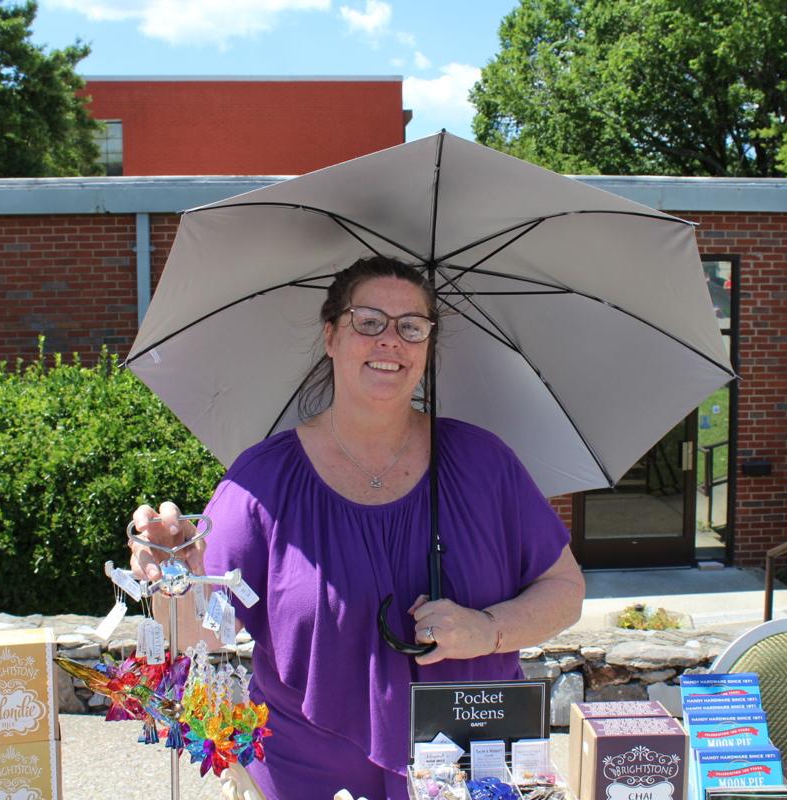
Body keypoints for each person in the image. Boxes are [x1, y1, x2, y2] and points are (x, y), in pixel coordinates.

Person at [129, 255, 586, 799]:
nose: (390, 340)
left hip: (473, 773)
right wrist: (171, 575)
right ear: (331, 336)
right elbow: (200, 635)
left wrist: (488, 630)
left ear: (428, 346)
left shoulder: (483, 464)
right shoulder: (263, 482)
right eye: (368, 321)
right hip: (307, 779)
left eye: (412, 327)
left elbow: (565, 589)